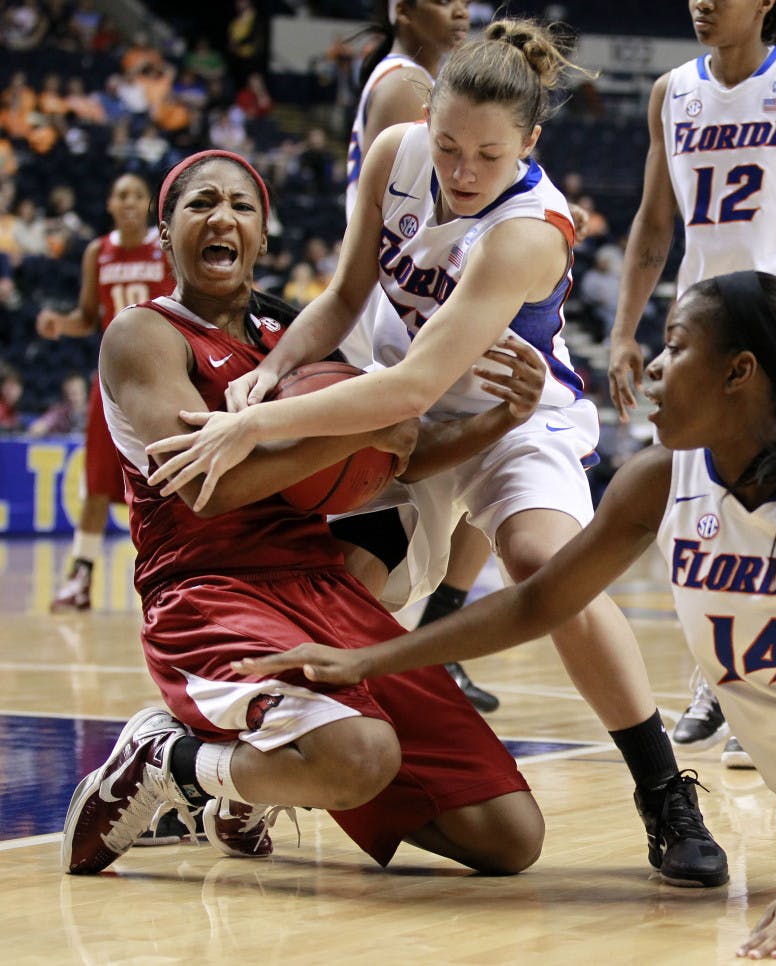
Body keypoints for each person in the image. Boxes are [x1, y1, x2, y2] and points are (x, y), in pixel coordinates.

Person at [239, 271, 776, 958]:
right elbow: (539, 600)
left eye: (676, 346)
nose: (654, 368)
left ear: (740, 372)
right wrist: (370, 659)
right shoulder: (657, 481)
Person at [145, 24, 729, 887]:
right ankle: (250, 766)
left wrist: (254, 428)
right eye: (447, 145)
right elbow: (346, 294)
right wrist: (271, 374)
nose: (459, 171)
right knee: (337, 586)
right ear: (427, 120)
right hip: (386, 414)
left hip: (508, 416)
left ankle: (661, 791)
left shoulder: (532, 231)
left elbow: (419, 385)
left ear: (529, 145)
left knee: (545, 564)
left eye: (486, 156)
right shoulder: (395, 151)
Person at [63, 149, 557, 879]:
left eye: (241, 204)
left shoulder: (292, 341)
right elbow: (207, 487)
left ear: (264, 235)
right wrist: (363, 424)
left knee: (510, 838)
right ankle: (170, 762)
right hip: (208, 590)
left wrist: (504, 417)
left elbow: (397, 455)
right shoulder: (146, 335)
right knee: (359, 755)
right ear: (166, 235)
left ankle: (244, 781)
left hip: (320, 586)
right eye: (200, 203)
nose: (221, 216)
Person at [607, 0, 776, 760]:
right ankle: (721, 680)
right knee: (706, 507)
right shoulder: (672, 91)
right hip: (706, 327)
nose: (703, 1)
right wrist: (627, 328)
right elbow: (654, 220)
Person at [342, 0, 494, 712]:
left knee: (469, 478)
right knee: (405, 496)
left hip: (398, 303)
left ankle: (427, 642)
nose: (461, 7)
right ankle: (350, 648)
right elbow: (425, 217)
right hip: (389, 308)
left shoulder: (415, 81)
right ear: (402, 7)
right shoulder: (407, 89)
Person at [36, 173, 175, 613]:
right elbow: (86, 314)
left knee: (173, 477)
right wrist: (61, 324)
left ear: (148, 203)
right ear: (112, 205)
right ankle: (80, 577)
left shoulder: (165, 248)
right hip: (112, 379)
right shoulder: (98, 251)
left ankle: (179, 573)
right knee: (96, 483)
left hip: (164, 373)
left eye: (137, 194)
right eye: (121, 195)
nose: (130, 201)